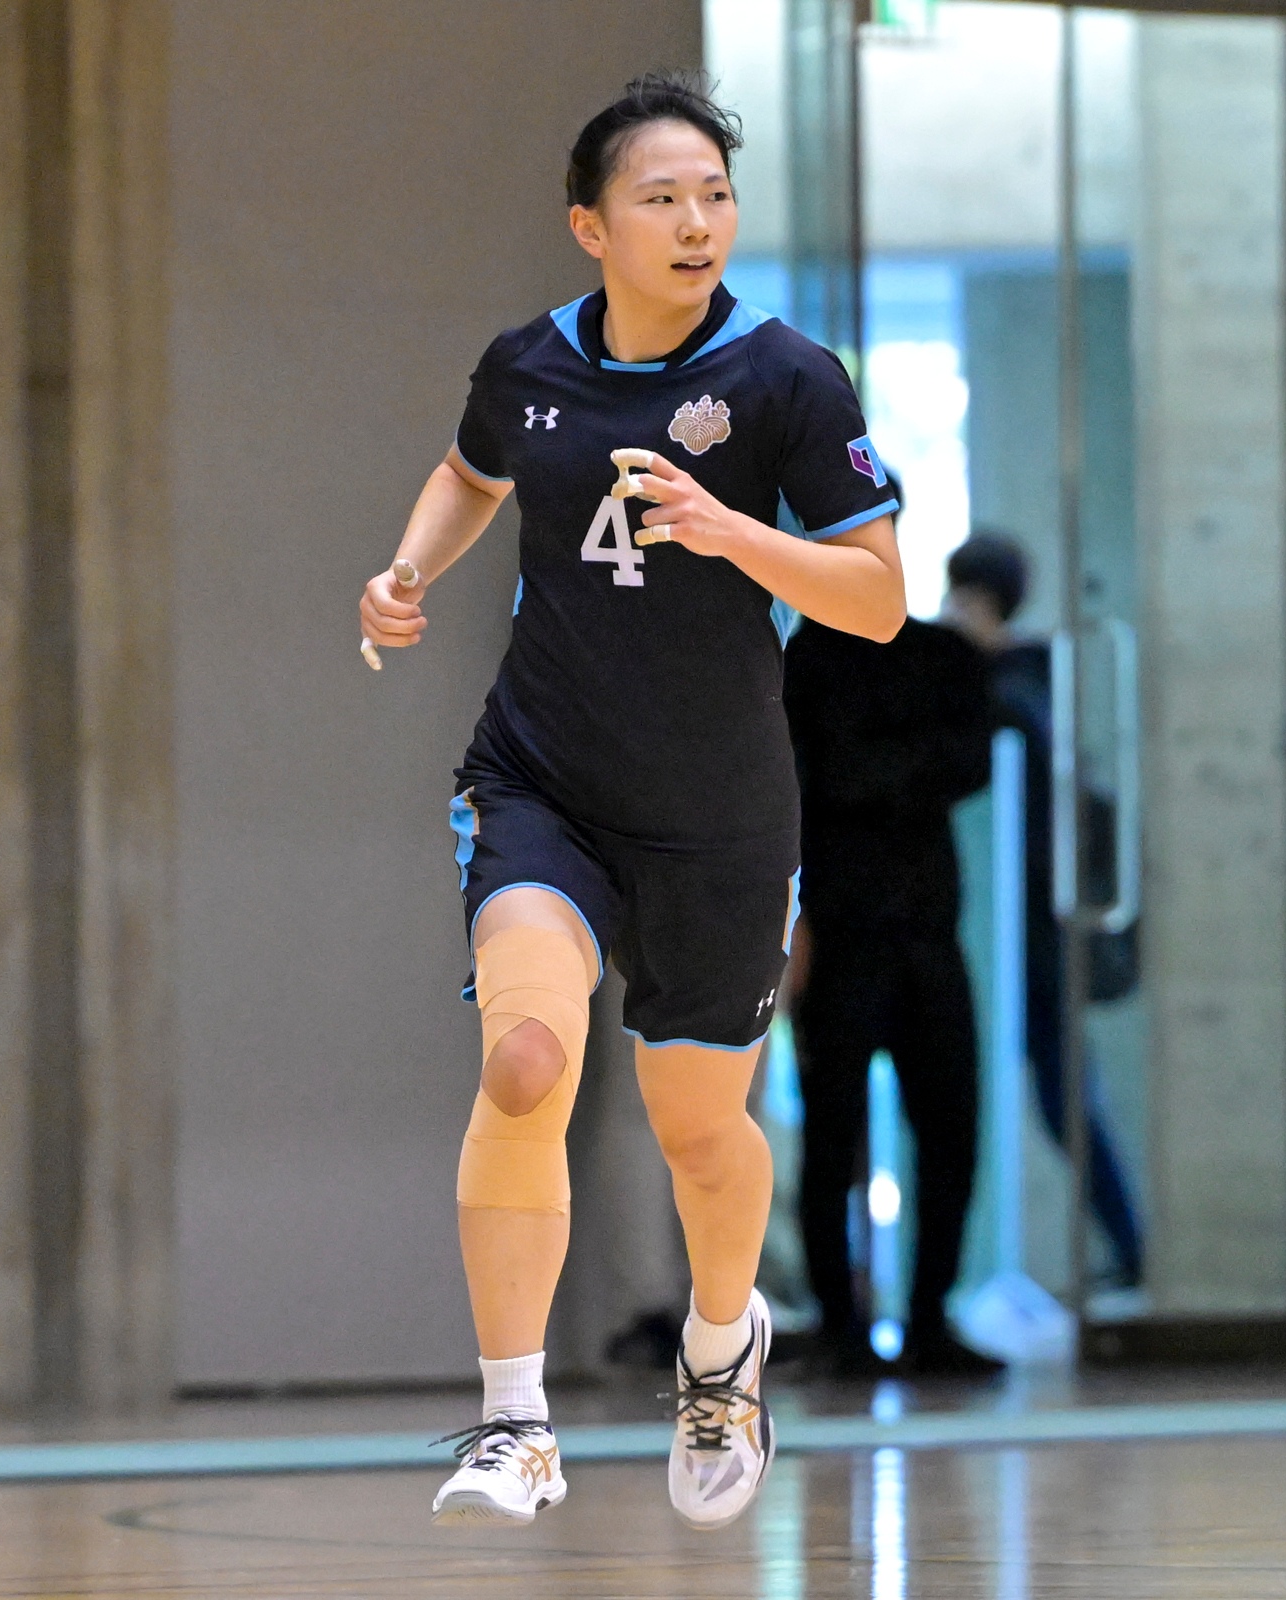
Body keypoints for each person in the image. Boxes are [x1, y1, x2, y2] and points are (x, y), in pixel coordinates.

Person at [357, 72, 905, 1530]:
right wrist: (408, 570)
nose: (696, 221)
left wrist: (732, 532)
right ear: (590, 227)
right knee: (526, 1062)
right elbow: (470, 474)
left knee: (698, 1128)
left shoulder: (789, 381)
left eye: (715, 195)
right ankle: (515, 1423)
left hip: (720, 813)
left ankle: (722, 1350)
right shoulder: (527, 365)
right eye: (661, 198)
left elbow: (876, 599)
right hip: (542, 780)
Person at [781, 527, 1004, 1381]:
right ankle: (840, 1325)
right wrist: (898, 768)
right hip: (839, 931)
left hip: (926, 930)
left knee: (950, 1127)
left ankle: (929, 1318)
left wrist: (867, 769)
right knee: (830, 1135)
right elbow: (813, 782)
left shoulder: (942, 657)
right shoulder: (805, 662)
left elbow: (965, 761)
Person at [941, 535, 1145, 1288]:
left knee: (1064, 1097)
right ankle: (1131, 1249)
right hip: (1021, 932)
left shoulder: (1016, 684)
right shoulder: (1028, 679)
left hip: (1031, 936)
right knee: (1062, 1097)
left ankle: (1133, 1249)